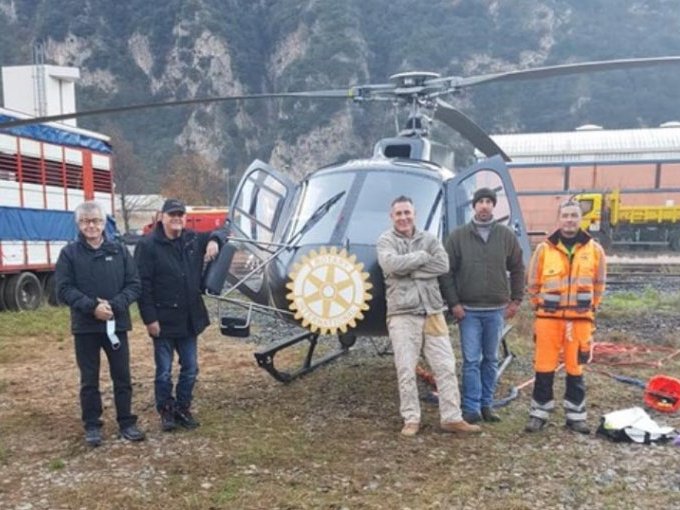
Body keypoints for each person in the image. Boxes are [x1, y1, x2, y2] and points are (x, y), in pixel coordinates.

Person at [376, 195, 481, 437]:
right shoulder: (385, 240)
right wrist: (422, 258)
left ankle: (452, 417)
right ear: (392, 217)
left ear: (415, 214)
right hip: (403, 314)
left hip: (432, 311)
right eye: (399, 213)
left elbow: (442, 265)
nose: (403, 217)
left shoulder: (430, 239)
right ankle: (411, 418)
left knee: (445, 365)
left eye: (407, 213)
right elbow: (390, 265)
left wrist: (409, 270)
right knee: (405, 368)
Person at [134, 198, 229, 432]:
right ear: (162, 217)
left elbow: (224, 229)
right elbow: (142, 285)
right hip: (163, 320)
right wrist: (149, 319)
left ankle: (183, 407)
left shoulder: (193, 239)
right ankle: (166, 410)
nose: (176, 219)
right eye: (171, 215)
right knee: (164, 371)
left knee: (190, 367)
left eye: (180, 215)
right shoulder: (147, 246)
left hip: (189, 318)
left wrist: (215, 240)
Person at [56, 200, 145, 447]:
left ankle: (127, 422)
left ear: (104, 223)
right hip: (85, 328)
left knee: (122, 376)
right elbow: (63, 289)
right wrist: (91, 307)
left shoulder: (119, 251)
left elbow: (135, 284)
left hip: (117, 326)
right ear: (78, 224)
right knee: (89, 378)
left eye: (95, 221)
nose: (91, 226)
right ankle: (92, 425)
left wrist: (115, 305)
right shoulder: (69, 254)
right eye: (85, 221)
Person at [439, 187, 525, 424]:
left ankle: (487, 404)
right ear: (474, 206)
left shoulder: (506, 236)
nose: (485, 205)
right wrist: (453, 303)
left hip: (496, 310)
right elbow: (446, 272)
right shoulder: (458, 237)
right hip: (468, 311)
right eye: (480, 202)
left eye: (489, 201)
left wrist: (516, 299)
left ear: (493, 206)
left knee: (490, 359)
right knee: (471, 360)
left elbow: (518, 267)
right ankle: (471, 407)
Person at [524, 199, 606, 434]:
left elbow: (599, 285)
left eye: (574, 215)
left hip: (580, 321)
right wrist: (540, 307)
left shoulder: (594, 250)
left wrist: (589, 309)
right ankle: (538, 414)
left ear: (581, 219)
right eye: (566, 215)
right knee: (543, 367)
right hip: (548, 320)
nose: (570, 220)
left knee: (576, 368)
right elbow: (533, 283)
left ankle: (575, 416)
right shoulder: (544, 249)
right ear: (559, 219)